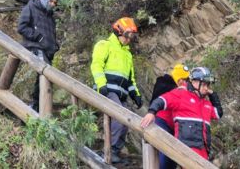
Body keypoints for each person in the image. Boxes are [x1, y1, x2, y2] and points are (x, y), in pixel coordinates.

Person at [141, 67, 223, 160]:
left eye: (208, 85)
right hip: (186, 151)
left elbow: (218, 114)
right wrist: (151, 112)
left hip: (203, 153)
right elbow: (161, 100)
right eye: (204, 84)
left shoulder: (206, 104)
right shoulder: (181, 95)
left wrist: (213, 95)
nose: (206, 88)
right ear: (194, 82)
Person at [90, 17, 143, 163]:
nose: (129, 40)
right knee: (119, 118)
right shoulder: (104, 45)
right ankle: (108, 151)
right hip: (107, 90)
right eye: (127, 35)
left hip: (121, 94)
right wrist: (101, 85)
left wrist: (135, 95)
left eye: (131, 36)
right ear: (118, 32)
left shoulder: (127, 54)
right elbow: (96, 66)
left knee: (127, 121)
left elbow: (130, 79)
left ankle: (115, 151)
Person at [17, 0, 59, 112]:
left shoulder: (50, 17)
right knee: (44, 75)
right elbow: (22, 27)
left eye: (55, 3)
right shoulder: (31, 8)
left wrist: (54, 45)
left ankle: (37, 107)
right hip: (34, 47)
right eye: (51, 1)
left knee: (46, 79)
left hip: (47, 52)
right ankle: (36, 108)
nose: (53, 4)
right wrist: (37, 36)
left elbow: (50, 34)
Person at [149, 64, 190, 169]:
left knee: (171, 159)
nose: (185, 82)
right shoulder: (164, 83)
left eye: (187, 80)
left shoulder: (184, 90)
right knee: (165, 155)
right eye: (184, 79)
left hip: (174, 126)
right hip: (162, 121)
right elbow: (159, 100)